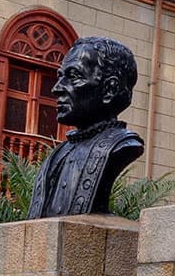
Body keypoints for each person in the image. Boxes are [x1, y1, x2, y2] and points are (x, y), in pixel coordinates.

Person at [26, 36, 145, 218]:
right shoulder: (58, 155)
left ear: (110, 89)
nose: (56, 88)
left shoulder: (121, 146)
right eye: (60, 77)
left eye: (73, 76)